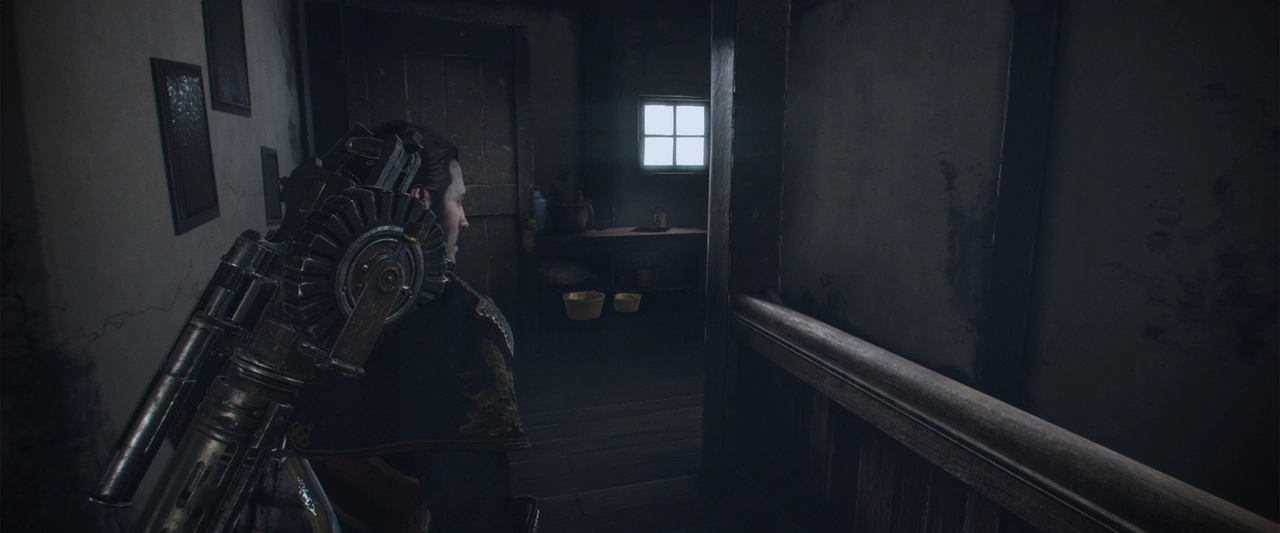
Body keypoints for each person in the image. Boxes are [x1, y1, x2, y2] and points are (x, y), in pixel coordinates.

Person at [284, 120, 536, 533]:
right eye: (458, 201)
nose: (464, 220)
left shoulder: (288, 285)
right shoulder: (465, 326)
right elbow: (475, 513)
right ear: (419, 197)